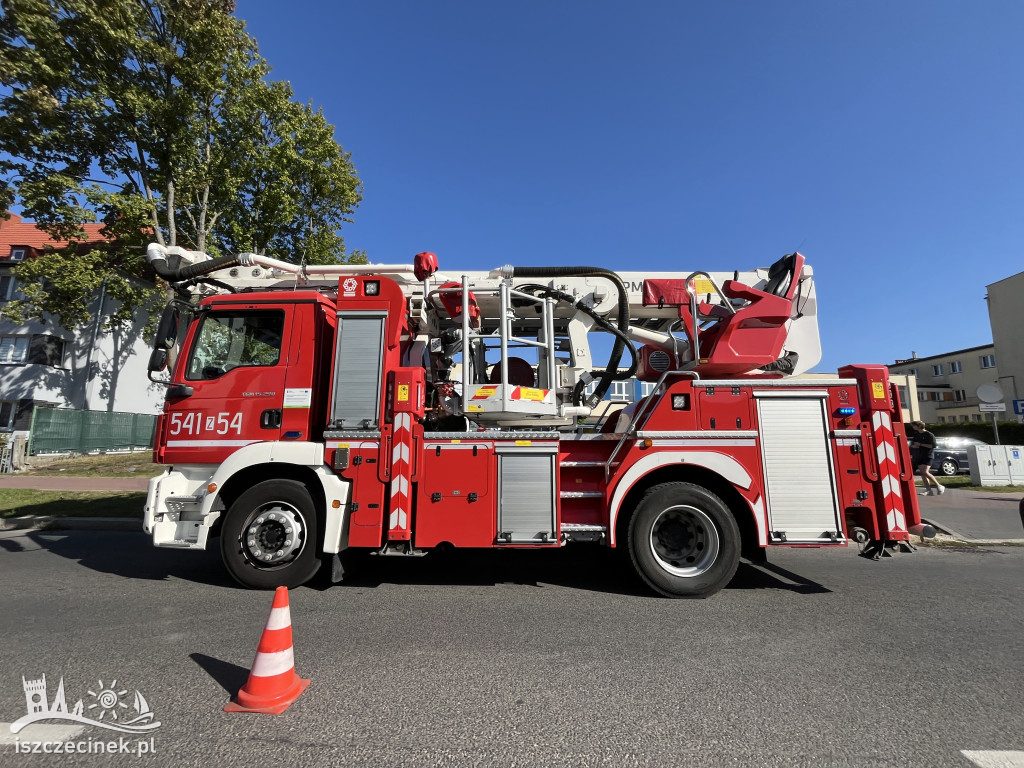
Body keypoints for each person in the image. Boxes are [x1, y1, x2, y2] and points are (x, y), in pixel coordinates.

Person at [909, 420, 944, 495]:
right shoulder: (916, 434)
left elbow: (932, 445)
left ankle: (939, 485)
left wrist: (920, 444)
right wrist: (913, 446)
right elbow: (913, 444)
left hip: (928, 455)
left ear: (919, 426)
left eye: (914, 425)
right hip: (919, 455)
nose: (913, 427)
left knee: (925, 472)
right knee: (922, 473)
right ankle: (928, 490)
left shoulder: (929, 435)